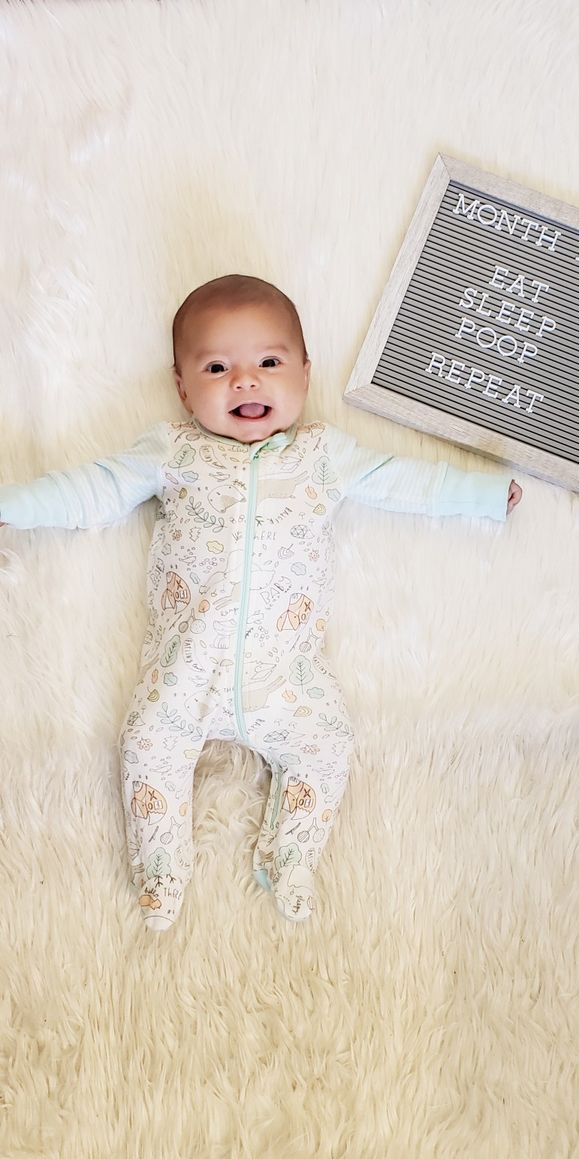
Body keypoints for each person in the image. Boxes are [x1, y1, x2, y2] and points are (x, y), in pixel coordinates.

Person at [0, 275, 522, 930]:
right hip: (184, 674)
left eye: (269, 363)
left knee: (330, 740)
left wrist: (479, 495)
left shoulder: (322, 454)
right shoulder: (174, 451)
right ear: (184, 387)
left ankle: (292, 853)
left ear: (305, 374)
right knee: (146, 742)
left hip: (288, 680)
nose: (244, 381)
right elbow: (89, 491)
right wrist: (12, 505)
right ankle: (162, 864)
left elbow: (403, 482)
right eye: (217, 367)